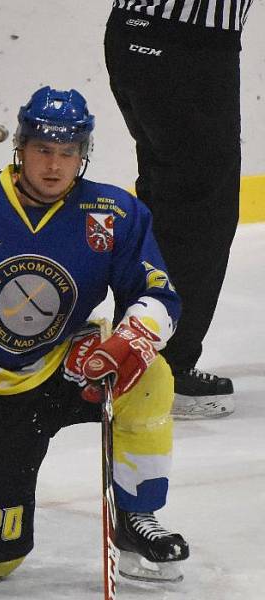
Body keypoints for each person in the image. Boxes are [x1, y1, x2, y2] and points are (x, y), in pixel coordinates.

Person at [0, 86, 190, 582]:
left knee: (150, 377)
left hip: (70, 367)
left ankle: (135, 514)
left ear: (83, 154)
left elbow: (159, 295)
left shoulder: (114, 214)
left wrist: (128, 342)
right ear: (21, 147)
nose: (54, 166)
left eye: (67, 153)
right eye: (43, 150)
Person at [103, 0, 253, 419]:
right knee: (200, 214)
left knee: (166, 202)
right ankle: (162, 366)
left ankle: (134, 347)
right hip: (187, 50)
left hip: (136, 36)